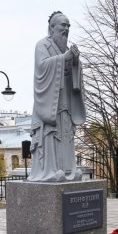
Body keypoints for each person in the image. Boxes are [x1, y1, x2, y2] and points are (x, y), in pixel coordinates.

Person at [28, 11, 86, 182]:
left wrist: (75, 62)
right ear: (51, 28)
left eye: (68, 25)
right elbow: (42, 68)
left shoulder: (66, 49)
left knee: (66, 135)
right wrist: (63, 59)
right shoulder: (42, 46)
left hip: (66, 102)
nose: (66, 28)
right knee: (50, 136)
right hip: (49, 104)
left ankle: (69, 170)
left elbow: (75, 78)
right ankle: (49, 171)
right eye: (63, 25)